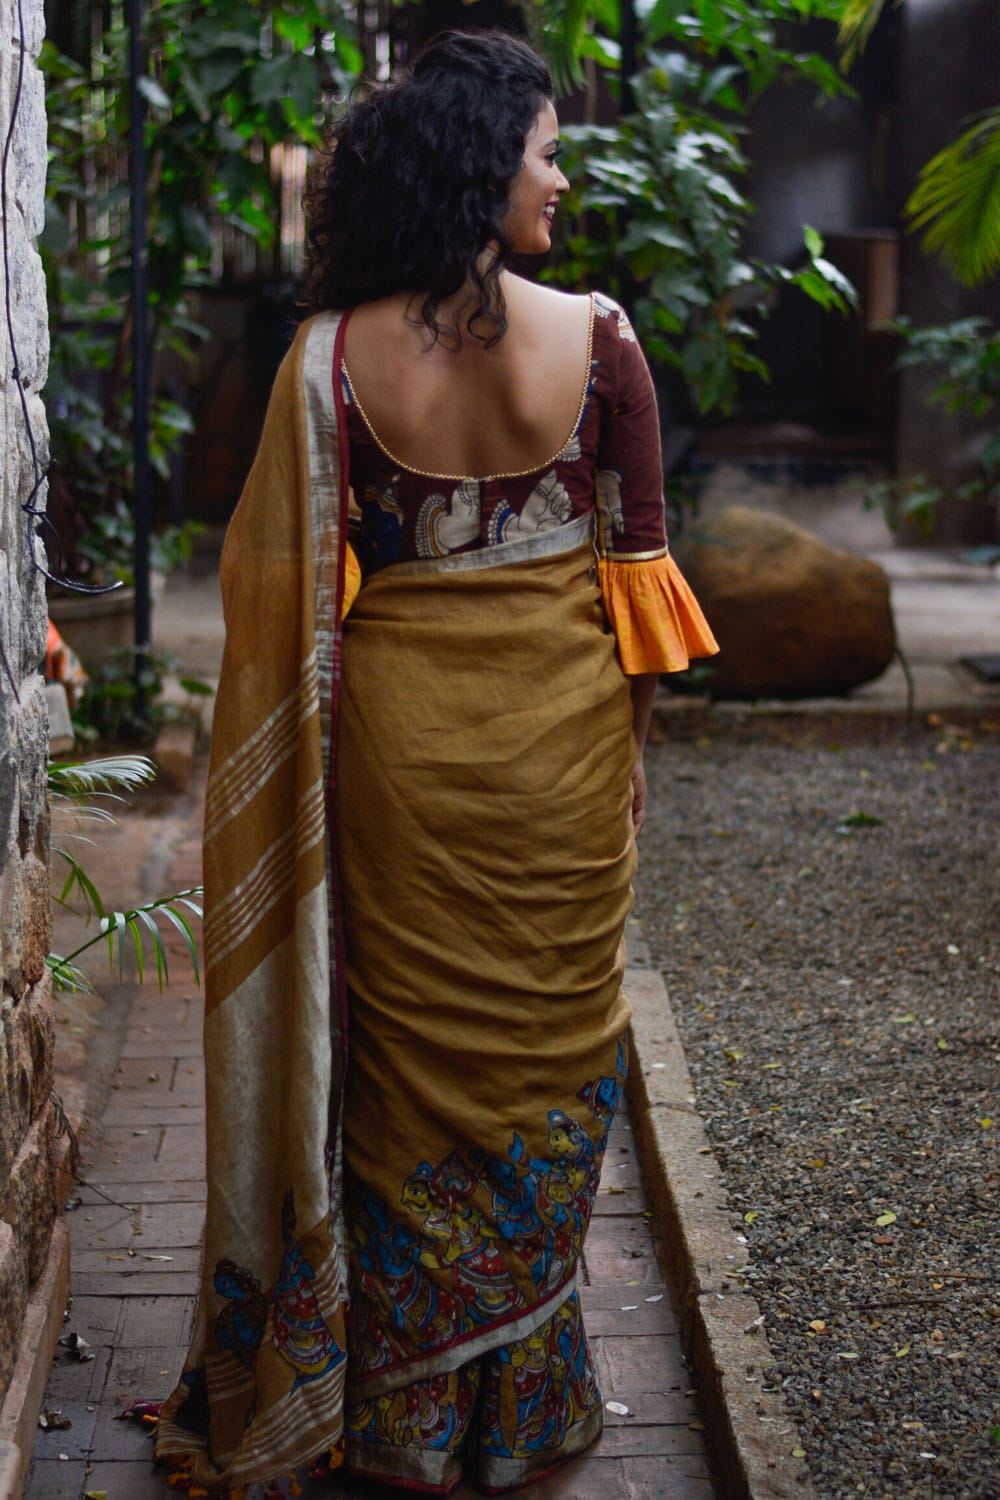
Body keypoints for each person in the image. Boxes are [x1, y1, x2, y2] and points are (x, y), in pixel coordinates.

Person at [154, 27, 717, 1497]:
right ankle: (522, 1408)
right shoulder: (600, 344)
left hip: (398, 768)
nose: (561, 175)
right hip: (566, 762)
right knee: (546, 1065)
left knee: (398, 1078)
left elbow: (285, 611)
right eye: (543, 150)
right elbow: (639, 596)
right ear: (483, 169)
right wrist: (626, 767)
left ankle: (398, 1420)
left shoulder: (328, 362)